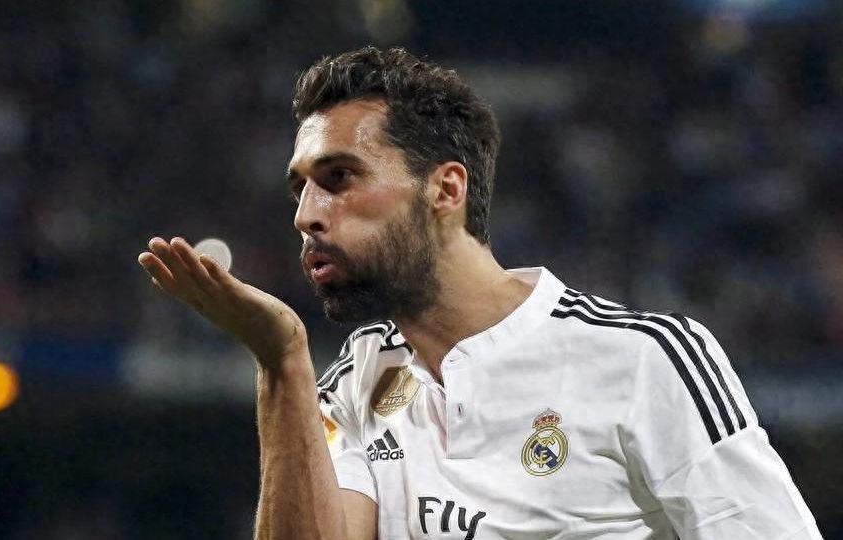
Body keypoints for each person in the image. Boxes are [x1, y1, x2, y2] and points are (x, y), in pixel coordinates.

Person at [137, 47, 821, 539]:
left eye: (339, 178)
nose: (306, 215)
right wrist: (281, 360)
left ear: (446, 189)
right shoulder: (357, 381)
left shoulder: (646, 359)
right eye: (301, 188)